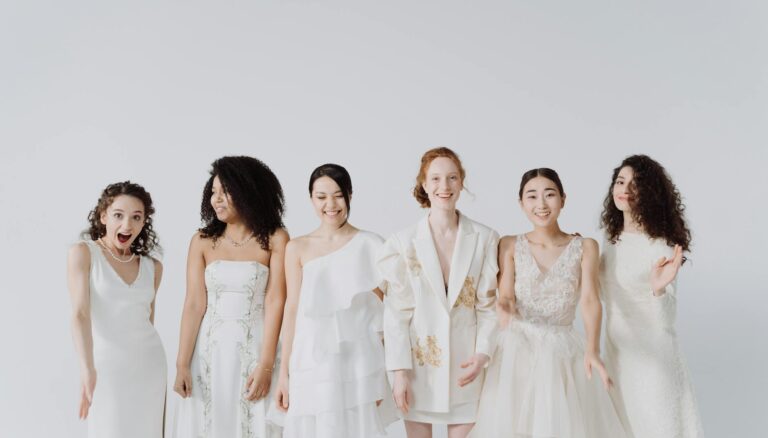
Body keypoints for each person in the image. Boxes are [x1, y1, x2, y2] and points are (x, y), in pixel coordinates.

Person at [471, 168, 628, 437]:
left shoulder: (585, 247)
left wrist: (593, 349)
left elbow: (590, 299)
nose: (541, 204)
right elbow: (505, 295)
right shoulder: (509, 244)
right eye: (532, 196)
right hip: (517, 350)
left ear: (563, 199)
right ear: (521, 203)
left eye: (550, 195)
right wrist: (504, 306)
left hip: (562, 352)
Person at [377, 147, 499, 438]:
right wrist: (399, 373)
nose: (444, 186)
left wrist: (482, 354)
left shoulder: (485, 238)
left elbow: (488, 306)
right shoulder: (403, 242)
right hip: (419, 371)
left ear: (461, 182)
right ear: (424, 184)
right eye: (435, 178)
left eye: (452, 177)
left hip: (466, 368)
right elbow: (396, 314)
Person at [276, 163, 396, 437]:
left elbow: (385, 314)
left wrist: (380, 373)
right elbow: (292, 310)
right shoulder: (297, 247)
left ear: (350, 196)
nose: (330, 204)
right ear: (311, 199)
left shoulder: (371, 244)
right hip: (312, 358)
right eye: (321, 197)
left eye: (338, 195)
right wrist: (283, 373)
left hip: (358, 361)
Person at [173, 156, 288, 437]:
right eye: (213, 192)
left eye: (225, 192)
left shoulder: (276, 238)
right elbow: (194, 304)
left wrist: (266, 365)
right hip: (208, 353)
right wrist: (182, 364)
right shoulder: (201, 240)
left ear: (249, 191)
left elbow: (276, 301)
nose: (216, 199)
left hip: (257, 350)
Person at [600, 154, 703, 437]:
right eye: (620, 181)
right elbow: (602, 294)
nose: (625, 190)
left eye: (635, 185)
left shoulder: (661, 246)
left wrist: (658, 289)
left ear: (650, 193)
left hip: (653, 360)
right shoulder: (610, 239)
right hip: (618, 356)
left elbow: (666, 320)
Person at [67, 181, 166, 437]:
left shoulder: (153, 267)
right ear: (103, 216)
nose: (127, 225)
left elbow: (148, 320)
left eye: (136, 217)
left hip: (150, 368)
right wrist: (87, 369)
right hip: (106, 370)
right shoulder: (84, 253)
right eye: (118, 215)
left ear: (144, 222)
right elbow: (80, 314)